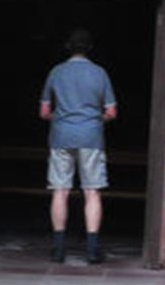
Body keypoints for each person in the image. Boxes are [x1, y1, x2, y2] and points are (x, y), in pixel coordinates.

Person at [40, 27, 117, 263]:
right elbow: (112, 112)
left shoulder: (56, 72)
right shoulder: (100, 73)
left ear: (67, 47)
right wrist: (93, 120)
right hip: (91, 137)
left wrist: (63, 119)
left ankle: (59, 248)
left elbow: (44, 112)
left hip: (61, 136)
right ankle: (92, 249)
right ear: (90, 48)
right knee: (92, 191)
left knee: (60, 191)